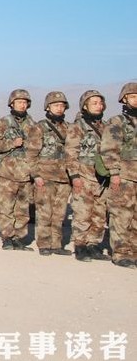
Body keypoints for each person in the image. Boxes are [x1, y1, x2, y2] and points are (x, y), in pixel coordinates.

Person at [65, 90, 112, 262]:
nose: (98, 105)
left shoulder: (106, 127)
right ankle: (80, 246)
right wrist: (75, 176)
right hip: (83, 176)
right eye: (94, 103)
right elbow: (70, 153)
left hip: (101, 178)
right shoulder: (77, 127)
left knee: (99, 214)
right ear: (85, 105)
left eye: (100, 103)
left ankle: (93, 245)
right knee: (82, 214)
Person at [0, 89, 36, 251]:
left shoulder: (33, 125)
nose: (22, 105)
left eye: (25, 102)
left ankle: (19, 238)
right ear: (12, 104)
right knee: (5, 208)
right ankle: (7, 237)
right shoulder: (3, 123)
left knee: (22, 209)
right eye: (19, 102)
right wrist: (11, 143)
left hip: (25, 174)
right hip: (6, 174)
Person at [27, 91, 72, 256]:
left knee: (60, 214)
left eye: (62, 105)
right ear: (48, 107)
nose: (59, 108)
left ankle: (56, 244)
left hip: (64, 178)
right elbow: (31, 154)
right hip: (44, 176)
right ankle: (44, 244)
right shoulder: (39, 127)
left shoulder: (69, 128)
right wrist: (36, 175)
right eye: (55, 105)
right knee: (45, 212)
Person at [99, 82, 137, 269]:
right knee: (122, 215)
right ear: (124, 99)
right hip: (124, 177)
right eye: (133, 96)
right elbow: (108, 149)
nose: (136, 100)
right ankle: (121, 253)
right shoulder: (117, 122)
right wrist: (114, 173)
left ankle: (135, 252)